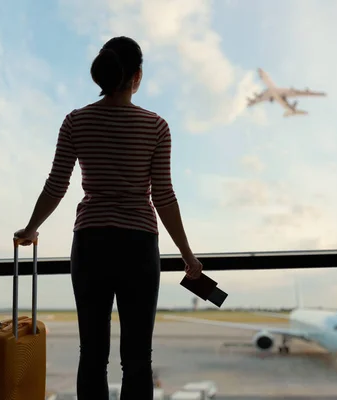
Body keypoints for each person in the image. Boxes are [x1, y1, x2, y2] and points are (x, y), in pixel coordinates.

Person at [14, 36, 203, 400]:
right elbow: (163, 196)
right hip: (138, 246)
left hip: (91, 243)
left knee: (93, 354)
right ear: (137, 76)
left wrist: (31, 228)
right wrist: (187, 254)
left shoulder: (76, 121)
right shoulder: (156, 126)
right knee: (137, 358)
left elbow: (57, 184)